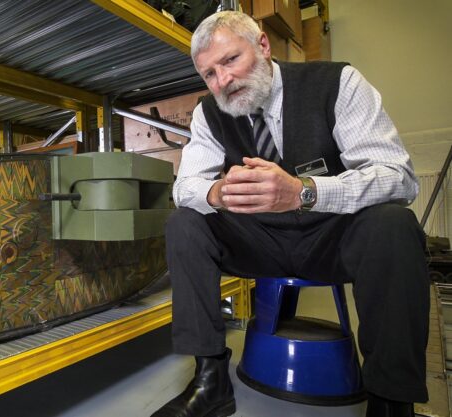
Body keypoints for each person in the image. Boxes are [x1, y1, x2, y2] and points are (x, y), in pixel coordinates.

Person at [154, 10, 429, 417]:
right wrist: (217, 192)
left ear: (263, 46)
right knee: (185, 221)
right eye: (209, 74)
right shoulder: (208, 112)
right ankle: (210, 381)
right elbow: (186, 186)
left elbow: (399, 178)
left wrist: (303, 191)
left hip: (329, 239)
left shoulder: (337, 84)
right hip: (258, 241)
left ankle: (391, 399)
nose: (223, 82)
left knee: (393, 224)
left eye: (231, 60)